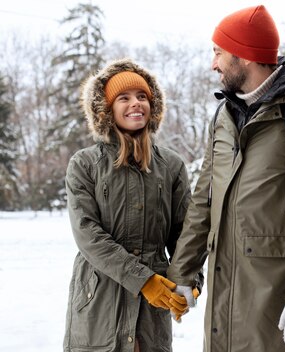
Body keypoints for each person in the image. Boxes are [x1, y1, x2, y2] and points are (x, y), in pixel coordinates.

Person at [166, 4, 285, 352]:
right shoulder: (223, 116)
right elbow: (205, 201)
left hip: (276, 301)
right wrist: (183, 273)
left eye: (218, 52)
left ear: (244, 55)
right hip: (223, 301)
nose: (213, 63)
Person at [63, 58, 199, 352]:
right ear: (107, 110)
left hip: (153, 309)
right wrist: (143, 281)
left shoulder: (172, 166)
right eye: (123, 98)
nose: (136, 104)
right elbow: (88, 234)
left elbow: (184, 232)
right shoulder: (85, 164)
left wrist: (189, 277)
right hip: (100, 297)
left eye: (142, 97)